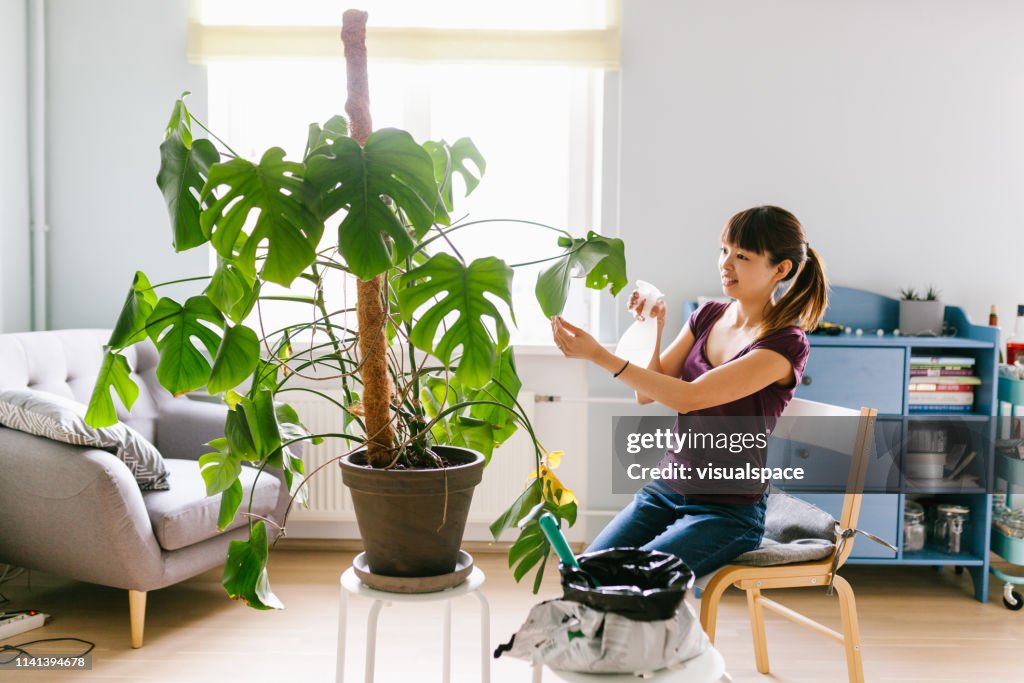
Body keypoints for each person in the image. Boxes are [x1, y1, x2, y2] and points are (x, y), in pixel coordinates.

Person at [550, 205, 828, 577]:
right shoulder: (708, 315)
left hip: (726, 512)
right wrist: (653, 326)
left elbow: (690, 396)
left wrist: (599, 355)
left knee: (629, 580)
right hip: (665, 490)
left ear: (780, 269)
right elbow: (647, 392)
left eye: (742, 256)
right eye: (724, 250)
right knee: (583, 572)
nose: (726, 264)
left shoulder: (785, 344)